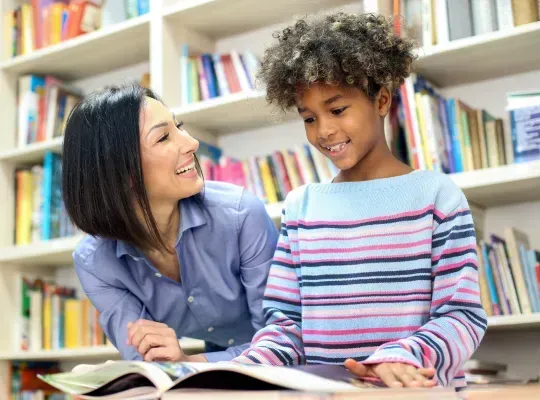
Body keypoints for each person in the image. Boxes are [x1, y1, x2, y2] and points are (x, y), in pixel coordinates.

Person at [233, 12, 487, 391]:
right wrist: (246, 366)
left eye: (337, 110)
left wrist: (404, 354)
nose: (325, 131)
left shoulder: (437, 197)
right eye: (309, 118)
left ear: (381, 100)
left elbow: (462, 315)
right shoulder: (301, 207)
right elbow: (286, 325)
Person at [62, 83, 279, 362]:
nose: (191, 143)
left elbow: (282, 340)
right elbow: (146, 359)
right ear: (120, 171)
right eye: (164, 137)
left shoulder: (240, 214)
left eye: (179, 126)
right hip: (223, 368)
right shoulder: (95, 262)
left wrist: (192, 363)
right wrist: (169, 361)